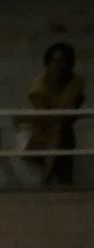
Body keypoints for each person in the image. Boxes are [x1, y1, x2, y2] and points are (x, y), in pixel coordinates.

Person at [20, 41, 85, 185]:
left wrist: (61, 115)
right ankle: (53, 182)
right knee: (59, 132)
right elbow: (44, 117)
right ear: (47, 63)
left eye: (62, 61)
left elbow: (72, 113)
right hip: (35, 133)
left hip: (61, 133)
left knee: (61, 132)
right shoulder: (39, 83)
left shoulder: (76, 82)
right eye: (53, 61)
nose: (57, 65)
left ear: (70, 64)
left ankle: (51, 183)